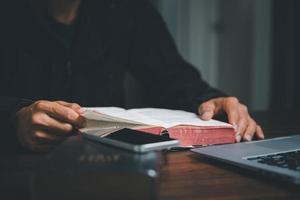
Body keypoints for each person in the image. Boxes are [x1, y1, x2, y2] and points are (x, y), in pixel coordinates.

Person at [0, 0, 264, 152]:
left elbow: (172, 77)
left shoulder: (127, 9)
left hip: (115, 165)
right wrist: (14, 118)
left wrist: (212, 100)